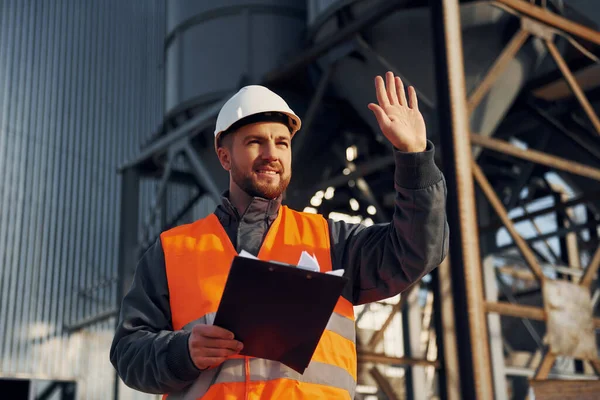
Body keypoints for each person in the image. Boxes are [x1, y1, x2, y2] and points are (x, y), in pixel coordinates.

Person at [110, 71, 449, 399]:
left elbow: (417, 249)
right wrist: (182, 352)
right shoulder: (173, 251)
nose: (272, 153)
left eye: (282, 143)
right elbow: (128, 352)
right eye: (255, 142)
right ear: (224, 156)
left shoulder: (333, 243)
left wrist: (415, 157)